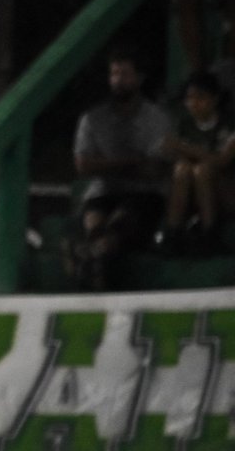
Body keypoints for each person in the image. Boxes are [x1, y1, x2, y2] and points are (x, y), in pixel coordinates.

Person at [69, 47, 173, 290]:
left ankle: (87, 257)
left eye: (125, 74)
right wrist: (131, 162)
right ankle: (93, 255)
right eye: (114, 74)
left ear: (139, 78)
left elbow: (155, 170)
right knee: (95, 219)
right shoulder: (93, 118)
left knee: (120, 223)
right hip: (103, 191)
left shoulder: (157, 118)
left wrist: (106, 165)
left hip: (144, 193)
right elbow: (83, 165)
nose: (118, 80)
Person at [160, 71, 235, 253]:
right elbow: (170, 154)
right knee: (182, 169)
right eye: (190, 98)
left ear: (215, 99)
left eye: (200, 97)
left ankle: (210, 231)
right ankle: (173, 231)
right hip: (190, 189)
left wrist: (186, 148)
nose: (194, 103)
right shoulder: (183, 125)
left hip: (225, 190)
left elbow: (223, 160)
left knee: (203, 170)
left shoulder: (229, 124)